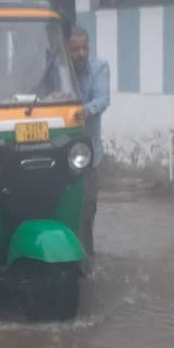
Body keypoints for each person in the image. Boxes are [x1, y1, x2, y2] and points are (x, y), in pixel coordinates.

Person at [67, 25, 111, 256]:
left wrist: (84, 111)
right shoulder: (59, 71)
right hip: (61, 154)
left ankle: (86, 262)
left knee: (86, 210)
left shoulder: (100, 67)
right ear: (66, 49)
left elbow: (103, 99)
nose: (81, 53)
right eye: (75, 49)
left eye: (85, 48)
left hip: (89, 155)